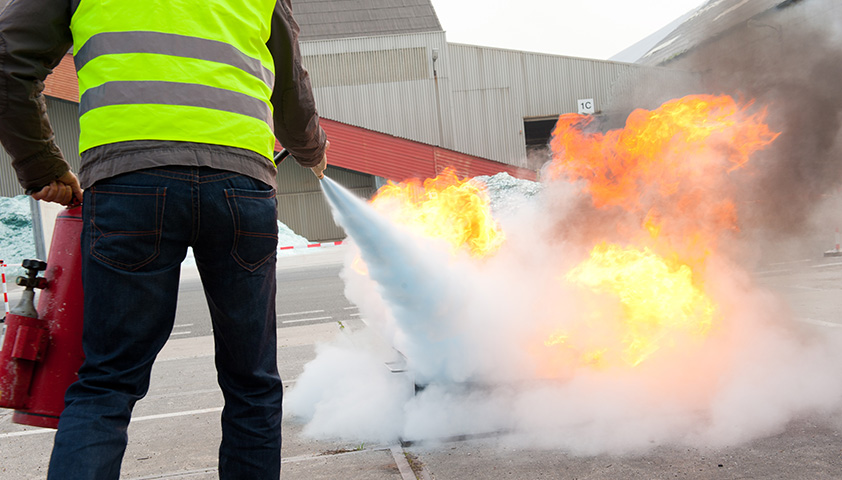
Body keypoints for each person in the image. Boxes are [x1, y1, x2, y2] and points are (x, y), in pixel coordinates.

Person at [0, 0, 328, 478]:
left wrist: (41, 166)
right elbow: (292, 90)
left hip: (130, 183)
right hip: (241, 186)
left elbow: (8, 59)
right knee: (252, 383)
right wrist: (311, 149)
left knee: (107, 382)